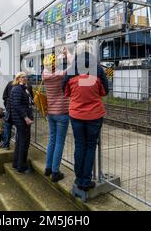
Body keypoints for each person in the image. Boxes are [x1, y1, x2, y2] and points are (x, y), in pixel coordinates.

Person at [62, 42, 108, 191]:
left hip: (76, 115)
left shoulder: (70, 70)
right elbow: (104, 91)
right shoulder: (98, 69)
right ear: (90, 52)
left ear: (76, 53)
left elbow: (66, 91)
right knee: (90, 146)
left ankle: (78, 178)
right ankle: (86, 181)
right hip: (94, 115)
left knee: (79, 145)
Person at [42, 49, 72, 183]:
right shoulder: (61, 74)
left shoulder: (44, 74)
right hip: (62, 113)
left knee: (52, 140)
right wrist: (67, 53)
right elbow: (74, 64)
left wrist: (59, 56)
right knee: (59, 142)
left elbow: (51, 66)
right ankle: (55, 172)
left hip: (51, 113)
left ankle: (48, 168)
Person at [10, 72, 34, 174]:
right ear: (18, 78)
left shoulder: (23, 88)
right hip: (21, 120)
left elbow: (25, 103)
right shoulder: (17, 89)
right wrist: (26, 118)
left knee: (20, 142)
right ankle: (22, 167)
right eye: (23, 77)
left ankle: (16, 163)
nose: (25, 79)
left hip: (21, 120)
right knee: (24, 143)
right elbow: (17, 105)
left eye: (26, 77)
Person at [1, 80, 14, 149]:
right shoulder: (26, 85)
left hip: (9, 110)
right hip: (17, 112)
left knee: (7, 126)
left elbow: (4, 96)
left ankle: (6, 144)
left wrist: (7, 106)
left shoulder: (10, 83)